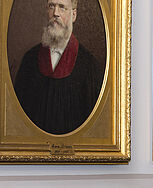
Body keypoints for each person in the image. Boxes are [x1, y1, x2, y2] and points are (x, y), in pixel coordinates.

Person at [14, 0, 103, 135]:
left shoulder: (89, 66)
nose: (55, 13)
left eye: (62, 7)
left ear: (73, 15)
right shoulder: (29, 60)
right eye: (51, 6)